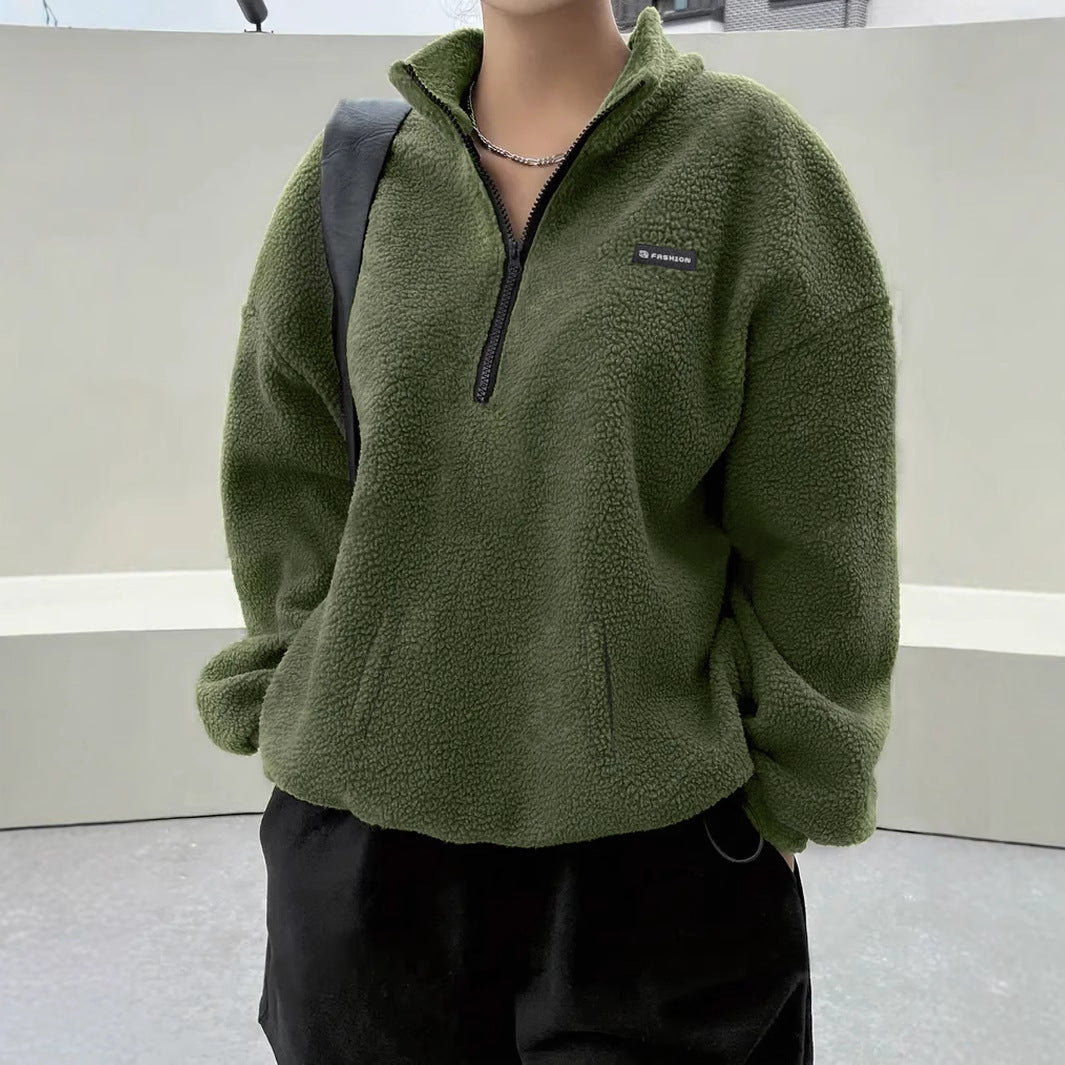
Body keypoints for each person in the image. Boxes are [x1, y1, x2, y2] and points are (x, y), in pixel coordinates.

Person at [195, 1, 899, 1062]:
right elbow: (284, 466)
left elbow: (823, 523)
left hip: (653, 852)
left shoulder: (749, 166)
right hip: (363, 858)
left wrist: (789, 797)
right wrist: (312, 681)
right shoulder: (354, 174)